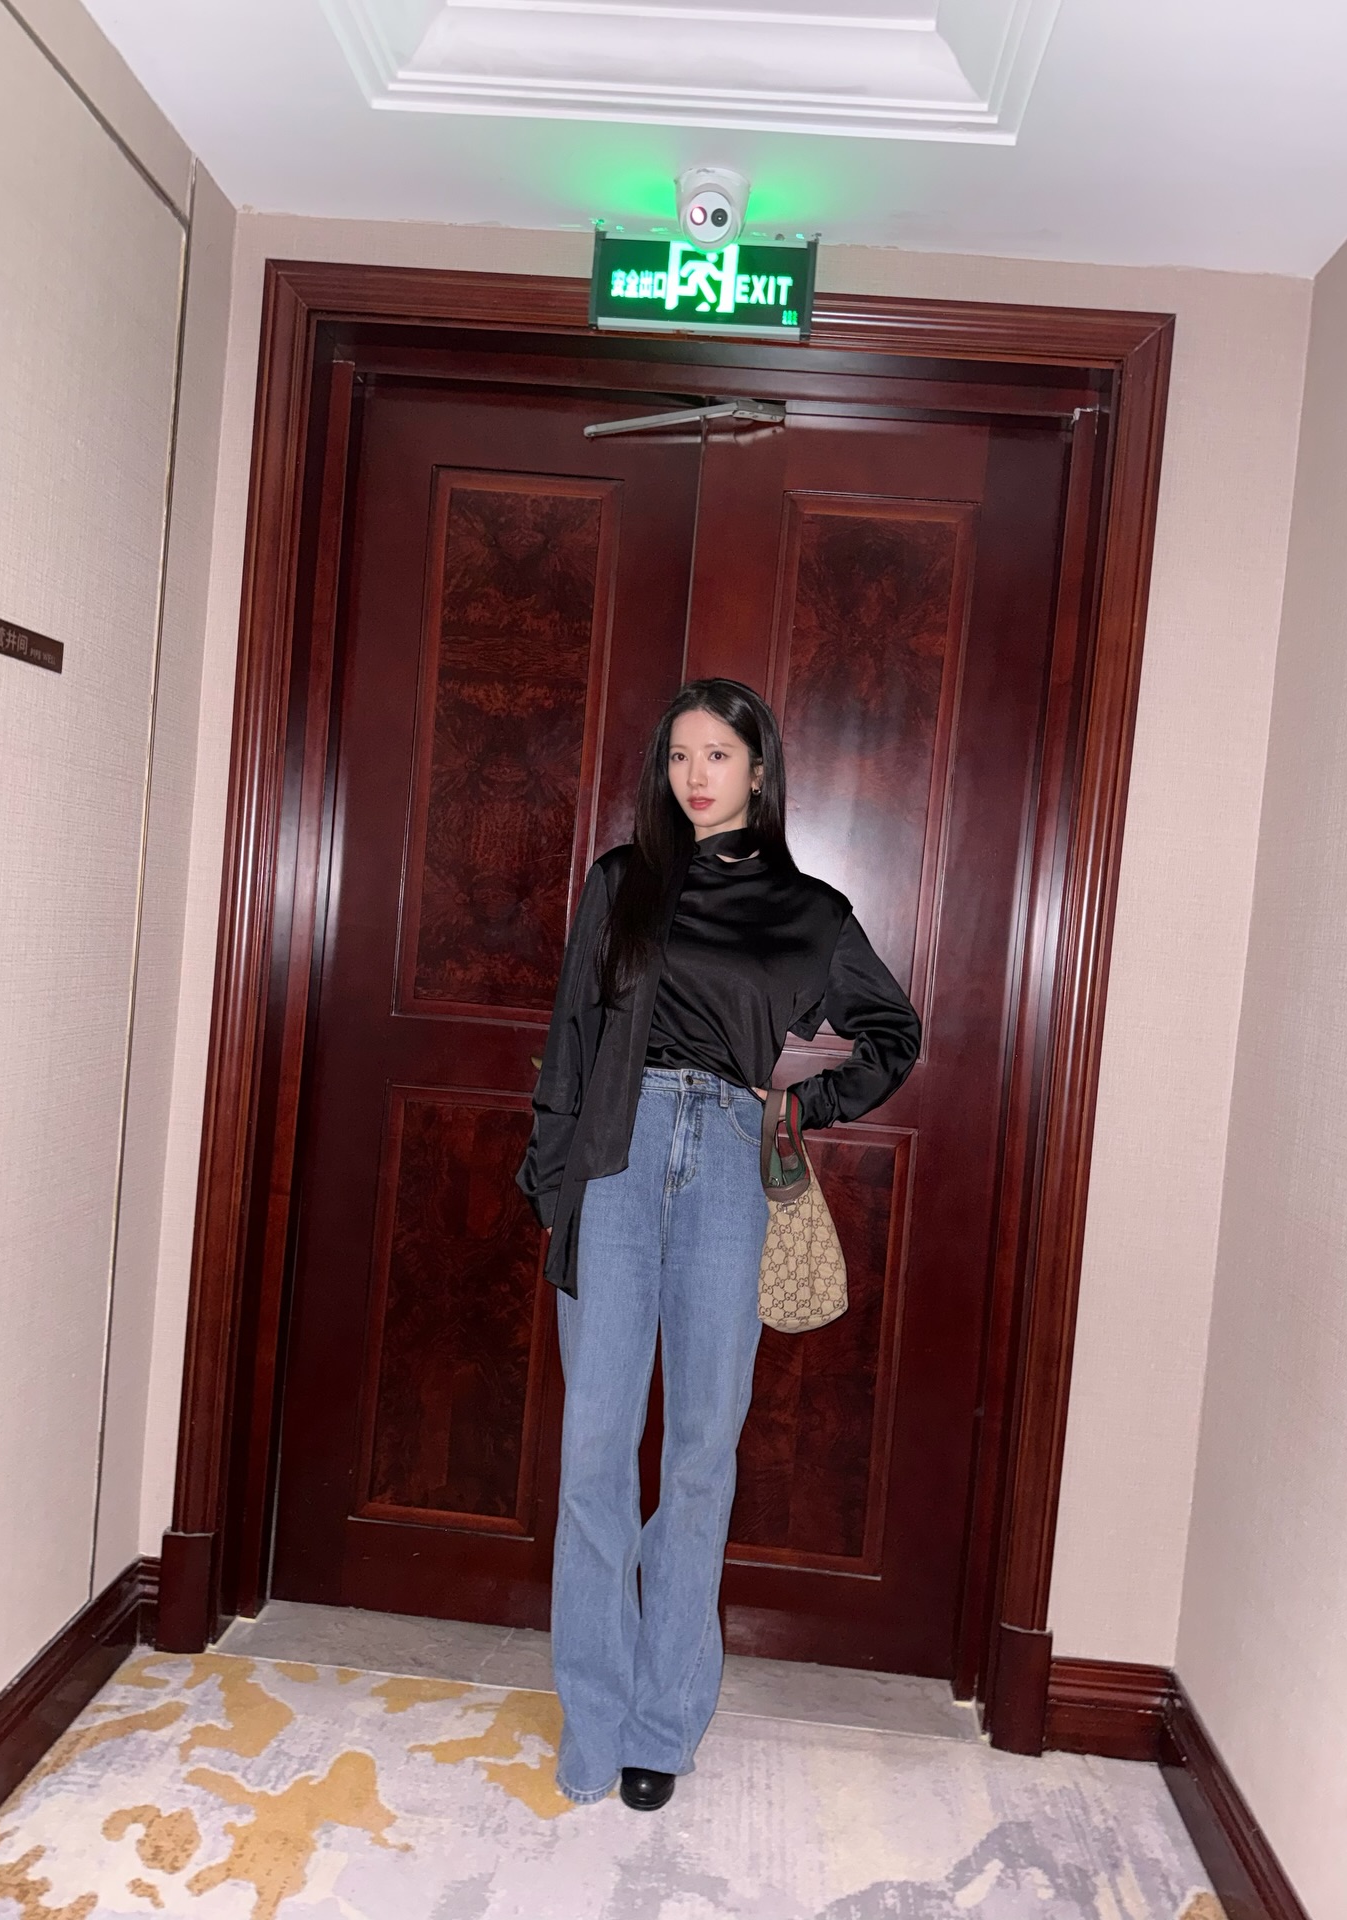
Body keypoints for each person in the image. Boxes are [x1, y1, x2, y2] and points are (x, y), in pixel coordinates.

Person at [515, 677, 920, 1811]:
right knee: (594, 1454)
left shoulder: (811, 911)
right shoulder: (623, 883)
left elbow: (892, 1032)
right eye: (680, 755)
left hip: (732, 1166)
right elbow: (570, 1038)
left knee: (699, 1453)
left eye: (719, 756)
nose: (696, 775)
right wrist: (553, 1186)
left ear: (759, 771)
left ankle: (664, 1719)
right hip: (616, 1157)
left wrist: (794, 1103)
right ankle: (593, 1713)